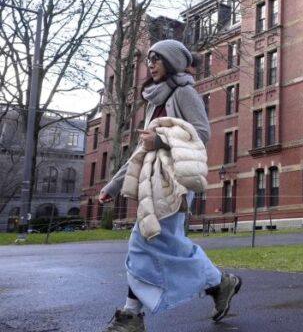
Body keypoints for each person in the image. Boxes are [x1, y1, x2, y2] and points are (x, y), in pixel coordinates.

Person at [99, 39, 241, 331]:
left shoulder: (185, 92)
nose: (150, 64)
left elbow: (202, 133)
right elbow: (142, 150)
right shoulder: (155, 100)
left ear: (172, 62)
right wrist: (113, 186)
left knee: (143, 240)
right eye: (149, 59)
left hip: (175, 181)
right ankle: (219, 283)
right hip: (153, 182)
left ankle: (131, 315)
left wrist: (161, 140)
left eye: (157, 59)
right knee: (168, 244)